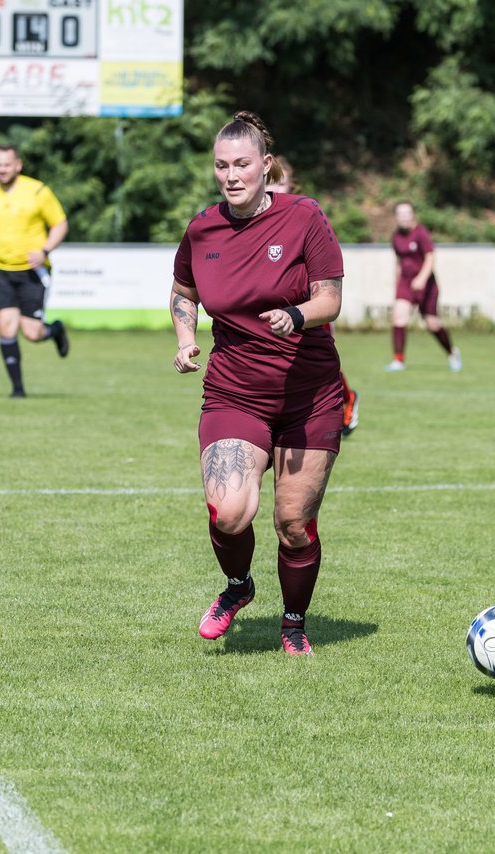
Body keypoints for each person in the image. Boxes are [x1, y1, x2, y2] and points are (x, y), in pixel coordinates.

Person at [170, 111, 345, 656]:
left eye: (242, 163)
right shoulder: (202, 228)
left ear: (265, 166)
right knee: (228, 512)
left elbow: (331, 299)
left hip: (308, 395)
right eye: (221, 166)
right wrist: (184, 337)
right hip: (234, 390)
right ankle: (238, 587)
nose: (231, 175)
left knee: (293, 523)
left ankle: (293, 625)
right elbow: (183, 290)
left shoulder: (304, 217)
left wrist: (296, 315)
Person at [266, 157, 360, 436]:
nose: (274, 189)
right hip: (275, 305)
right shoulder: (254, 217)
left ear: (291, 185)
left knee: (317, 358)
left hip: (309, 303)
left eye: (280, 183)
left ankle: (345, 399)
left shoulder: (305, 214)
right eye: (270, 182)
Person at [0, 144, 70, 398]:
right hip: (3, 271)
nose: (2, 169)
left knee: (32, 333)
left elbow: (60, 224)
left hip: (33, 272)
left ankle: (55, 329)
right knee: (5, 327)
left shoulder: (37, 191)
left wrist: (44, 250)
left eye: (7, 164)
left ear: (18, 165)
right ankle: (18, 389)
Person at [386, 202, 462, 372]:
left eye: (407, 213)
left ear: (413, 214)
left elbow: (430, 258)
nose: (404, 217)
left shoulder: (421, 233)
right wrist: (396, 284)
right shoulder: (396, 237)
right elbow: (399, 262)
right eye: (400, 214)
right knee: (399, 317)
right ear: (396, 217)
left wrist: (421, 278)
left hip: (426, 284)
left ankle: (452, 352)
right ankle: (398, 360)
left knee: (432, 323)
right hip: (406, 283)